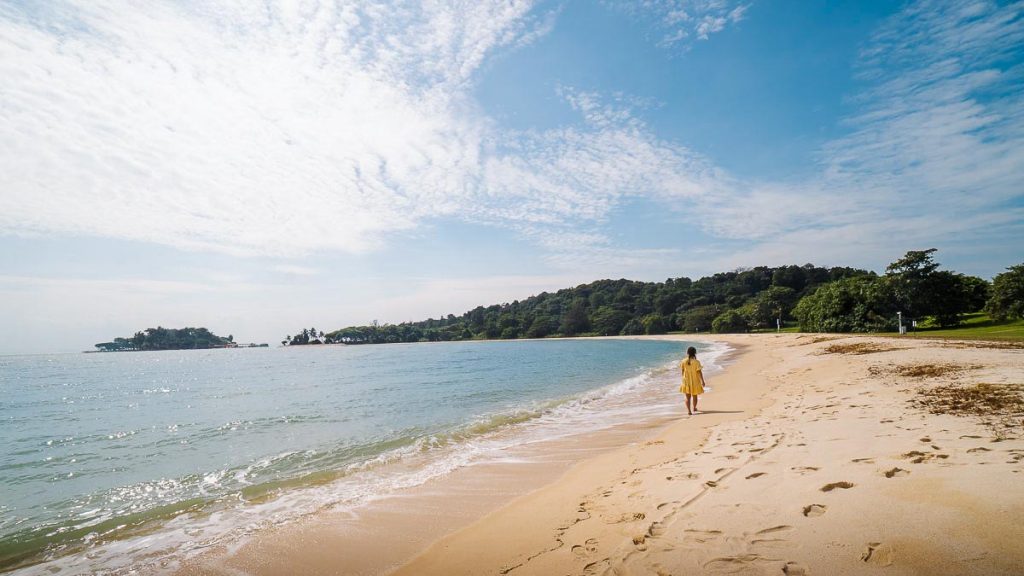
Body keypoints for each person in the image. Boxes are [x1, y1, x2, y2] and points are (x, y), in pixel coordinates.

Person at [680, 346, 706, 415]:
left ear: (687, 353)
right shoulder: (697, 362)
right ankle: (694, 408)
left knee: (687, 397)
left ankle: (689, 411)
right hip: (695, 381)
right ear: (695, 353)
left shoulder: (683, 361)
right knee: (695, 396)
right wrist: (703, 381)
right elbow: (699, 372)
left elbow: (682, 371)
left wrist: (683, 379)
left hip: (686, 381)